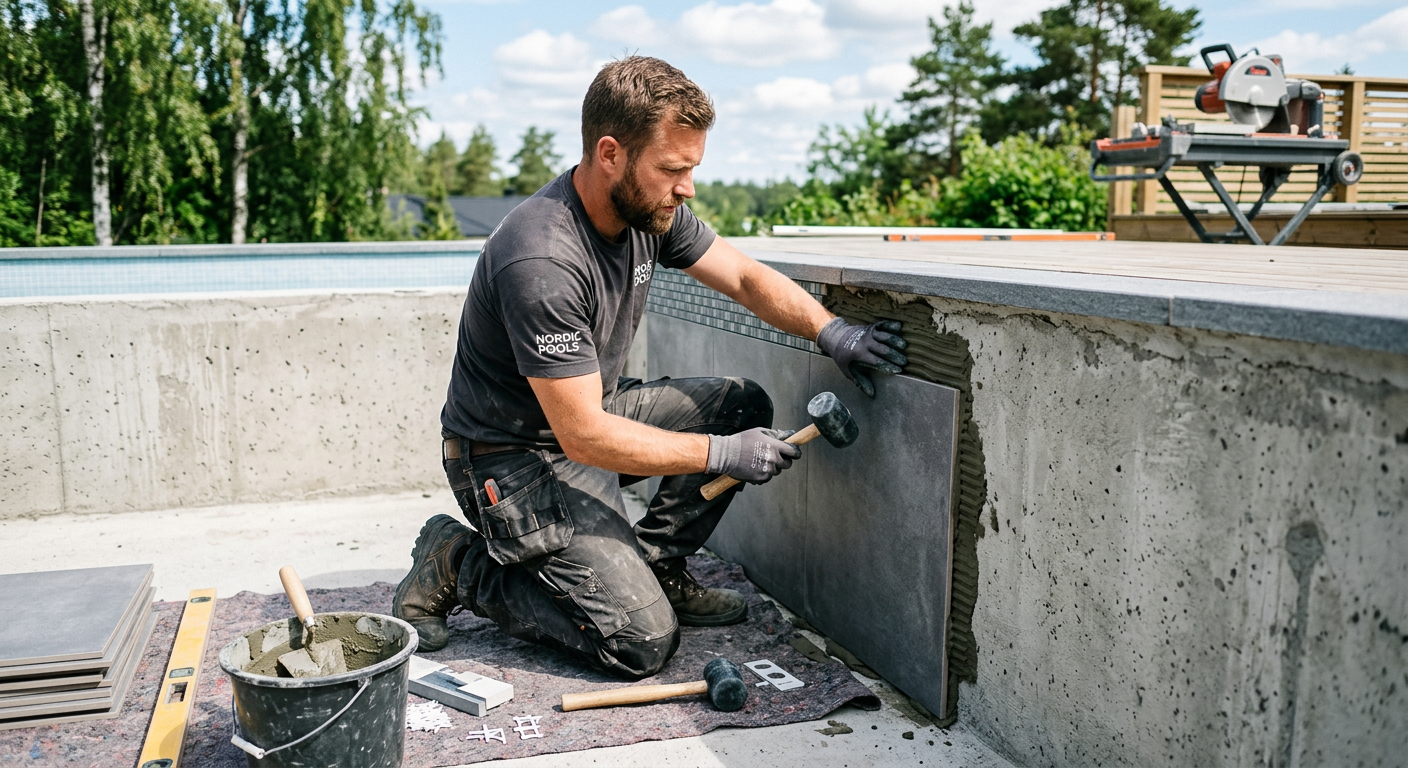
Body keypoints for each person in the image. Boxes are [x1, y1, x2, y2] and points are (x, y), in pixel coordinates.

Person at [392, 56, 908, 679]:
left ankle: (656, 570)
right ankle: (460, 562)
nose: (687, 186)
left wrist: (833, 330)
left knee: (739, 404)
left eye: (692, 167)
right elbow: (582, 436)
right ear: (610, 153)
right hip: (511, 457)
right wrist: (719, 456)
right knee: (639, 643)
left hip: (584, 413)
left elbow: (744, 276)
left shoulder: (650, 212)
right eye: (673, 168)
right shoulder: (542, 258)